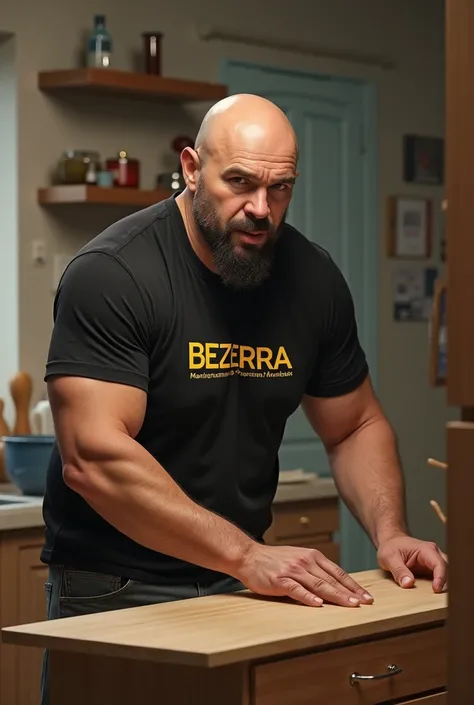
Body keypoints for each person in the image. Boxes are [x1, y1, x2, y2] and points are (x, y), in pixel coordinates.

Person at [39, 93, 447, 703]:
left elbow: (355, 424)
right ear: (191, 168)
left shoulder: (312, 278)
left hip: (243, 582)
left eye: (280, 188)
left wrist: (389, 532)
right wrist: (246, 554)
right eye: (239, 182)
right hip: (120, 583)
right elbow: (94, 458)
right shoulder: (115, 273)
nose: (260, 208)